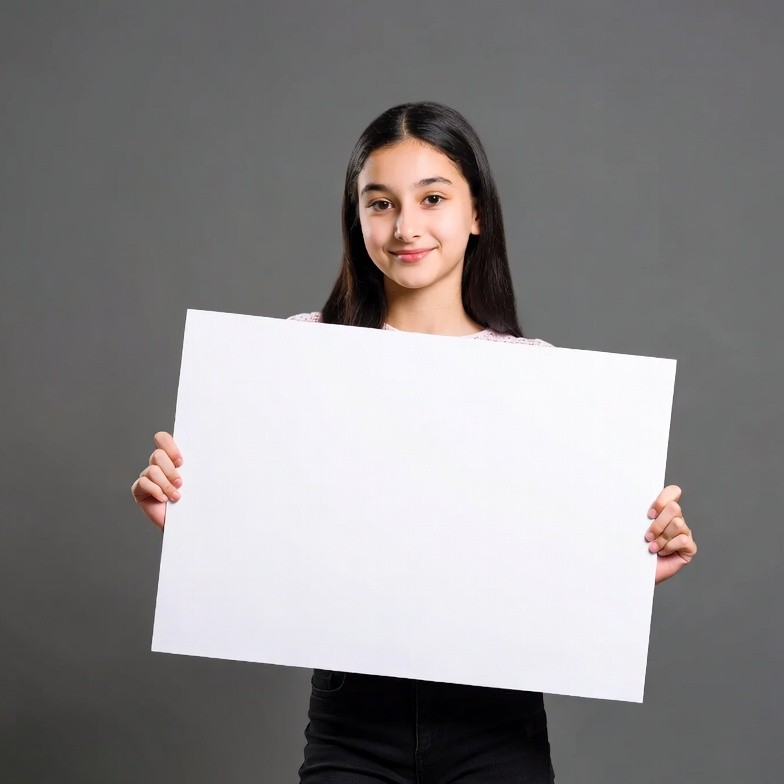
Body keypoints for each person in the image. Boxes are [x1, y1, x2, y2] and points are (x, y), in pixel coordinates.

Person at [131, 102, 697, 783]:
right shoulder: (301, 353)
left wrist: (630, 561)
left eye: (433, 197)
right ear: (356, 217)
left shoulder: (540, 375)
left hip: (497, 725)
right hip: (353, 722)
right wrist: (192, 517)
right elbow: (279, 532)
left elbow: (544, 559)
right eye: (380, 203)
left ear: (476, 212)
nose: (406, 227)